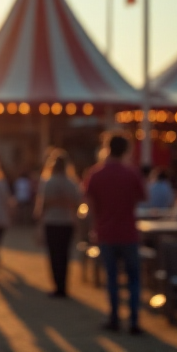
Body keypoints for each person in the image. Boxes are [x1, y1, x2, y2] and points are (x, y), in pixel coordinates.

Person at [84, 134, 146, 334]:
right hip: (128, 232)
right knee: (133, 279)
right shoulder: (132, 173)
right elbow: (142, 197)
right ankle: (134, 320)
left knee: (111, 278)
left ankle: (114, 318)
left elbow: (91, 205)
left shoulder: (96, 174)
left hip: (106, 232)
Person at [34, 150, 82, 297]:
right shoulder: (72, 183)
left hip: (52, 222)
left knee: (54, 255)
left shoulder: (49, 182)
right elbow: (78, 203)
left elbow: (43, 205)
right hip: (67, 222)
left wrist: (39, 224)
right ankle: (63, 286)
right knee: (65, 255)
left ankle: (57, 285)